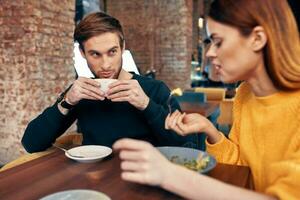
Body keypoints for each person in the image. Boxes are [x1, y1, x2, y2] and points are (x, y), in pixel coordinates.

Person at [113, 0, 300, 199]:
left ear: (257, 38)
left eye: (218, 42)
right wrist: (209, 129)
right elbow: (241, 166)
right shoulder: (245, 94)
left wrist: (169, 174)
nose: (210, 53)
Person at [22, 12, 191, 153]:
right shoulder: (82, 92)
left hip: (143, 181)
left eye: (112, 52)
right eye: (95, 54)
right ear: (82, 53)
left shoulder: (155, 89)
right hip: (94, 182)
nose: (106, 65)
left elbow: (185, 146)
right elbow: (31, 144)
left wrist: (146, 105)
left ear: (123, 47)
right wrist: (67, 102)